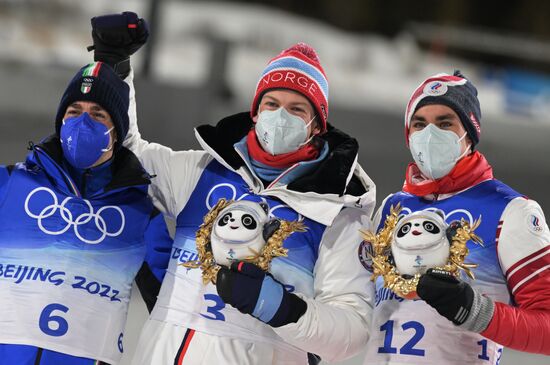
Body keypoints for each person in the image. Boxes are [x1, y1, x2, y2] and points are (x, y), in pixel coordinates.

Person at [89, 12, 377, 365]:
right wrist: (113, 68)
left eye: (297, 108)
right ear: (255, 111)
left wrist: (281, 308)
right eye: (272, 104)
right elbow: (126, 154)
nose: (280, 115)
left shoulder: (337, 208)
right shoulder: (202, 172)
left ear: (317, 124)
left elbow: (352, 330)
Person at [365, 71, 550, 364]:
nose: (430, 134)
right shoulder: (391, 209)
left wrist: (475, 310)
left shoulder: (511, 211)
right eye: (420, 124)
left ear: (469, 132)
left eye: (445, 123)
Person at [0, 56, 173, 364]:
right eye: (74, 111)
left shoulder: (141, 215)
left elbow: (174, 307)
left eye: (98, 114)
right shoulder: (11, 183)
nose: (83, 122)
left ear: (117, 131)